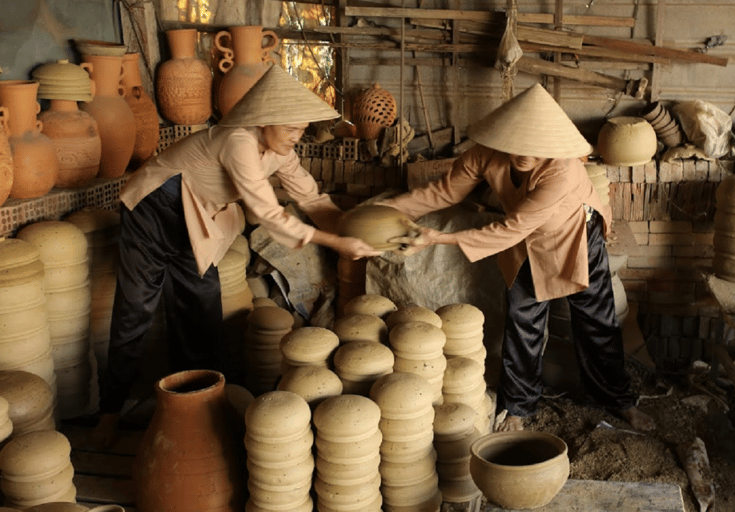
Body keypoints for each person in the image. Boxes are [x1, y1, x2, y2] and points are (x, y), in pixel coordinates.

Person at [91, 65, 382, 447]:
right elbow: (267, 212)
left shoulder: (281, 152)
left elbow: (311, 198)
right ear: (264, 121)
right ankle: (110, 414)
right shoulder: (238, 142)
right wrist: (334, 243)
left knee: (201, 312)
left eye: (302, 129)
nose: (298, 137)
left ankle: (192, 412)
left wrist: (354, 228)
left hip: (194, 215)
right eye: (291, 128)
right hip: (154, 209)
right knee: (136, 311)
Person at [382, 83, 655, 432]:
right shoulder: (485, 154)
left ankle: (618, 400)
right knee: (523, 321)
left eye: (535, 145)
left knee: (596, 321)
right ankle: (519, 407)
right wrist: (390, 208)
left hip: (574, 235)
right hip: (525, 236)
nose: (524, 152)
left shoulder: (563, 171)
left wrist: (438, 238)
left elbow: (510, 228)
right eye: (517, 142)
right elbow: (444, 191)